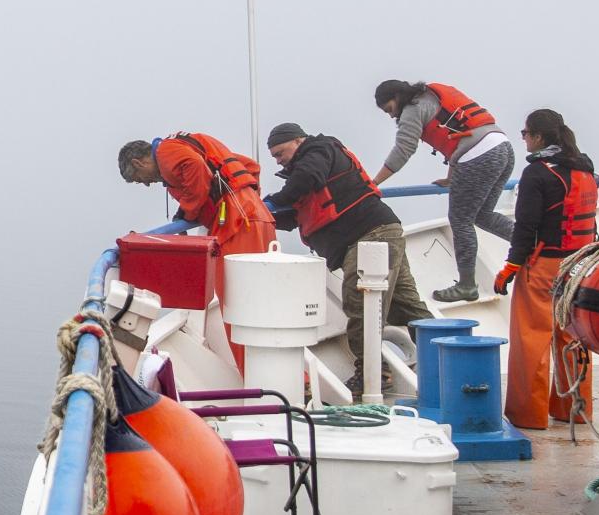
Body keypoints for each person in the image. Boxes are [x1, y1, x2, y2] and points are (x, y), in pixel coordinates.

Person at [264, 121, 431, 379]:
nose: (277, 161)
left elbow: (306, 179)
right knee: (406, 305)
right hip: (381, 232)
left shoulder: (318, 150)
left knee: (361, 303)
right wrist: (261, 214)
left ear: (298, 141)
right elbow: (299, 213)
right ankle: (447, 358)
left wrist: (271, 202)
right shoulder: (307, 170)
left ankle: (372, 375)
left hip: (370, 236)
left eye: (279, 153)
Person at [493, 108, 599, 429]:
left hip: (544, 267)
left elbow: (526, 227)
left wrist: (510, 267)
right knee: (573, 336)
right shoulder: (584, 167)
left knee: (532, 338)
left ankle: (529, 415)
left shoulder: (537, 173)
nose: (523, 139)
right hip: (579, 265)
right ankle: (575, 410)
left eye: (525, 134)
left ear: (538, 137)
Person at [370, 79, 516, 304]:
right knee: (482, 215)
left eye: (389, 109)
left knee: (460, 220)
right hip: (502, 148)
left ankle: (467, 285)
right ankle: (532, 244)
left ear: (397, 98)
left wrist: (374, 182)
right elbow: (461, 132)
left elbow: (403, 150)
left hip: (478, 156)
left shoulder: (412, 110)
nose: (391, 116)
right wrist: (451, 178)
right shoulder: (431, 96)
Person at [117, 131, 276, 257]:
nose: (146, 183)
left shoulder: (165, 152)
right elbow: (251, 166)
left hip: (235, 222)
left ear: (138, 163)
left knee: (233, 288)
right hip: (259, 218)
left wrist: (188, 213)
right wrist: (253, 200)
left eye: (138, 179)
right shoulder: (187, 145)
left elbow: (196, 166)